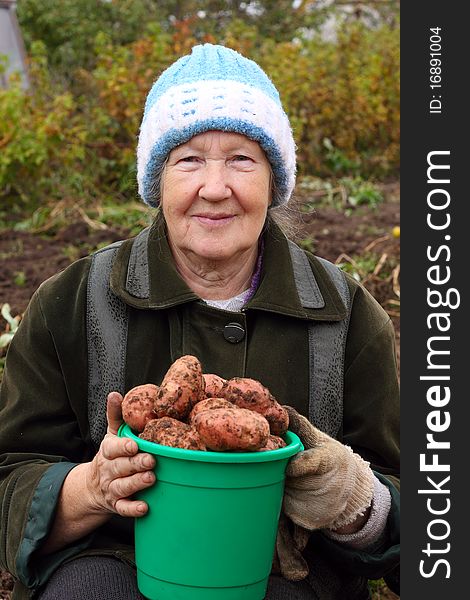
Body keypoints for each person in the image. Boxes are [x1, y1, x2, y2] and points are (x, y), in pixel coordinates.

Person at [0, 43, 399, 600]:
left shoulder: (347, 317)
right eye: (188, 159)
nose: (215, 187)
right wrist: (88, 489)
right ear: (157, 181)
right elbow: (8, 473)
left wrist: (361, 505)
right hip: (110, 564)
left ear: (272, 180)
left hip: (287, 576)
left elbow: (430, 523)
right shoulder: (70, 304)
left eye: (241, 159)